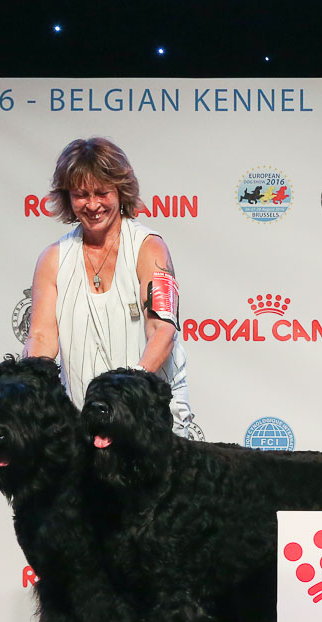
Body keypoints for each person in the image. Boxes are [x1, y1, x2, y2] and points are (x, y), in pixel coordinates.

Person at [25, 137, 192, 433]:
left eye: (102, 193)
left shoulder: (150, 248)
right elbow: (41, 337)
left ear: (120, 191)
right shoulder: (52, 259)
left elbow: (162, 329)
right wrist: (27, 389)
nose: (92, 205)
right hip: (85, 420)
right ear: (67, 197)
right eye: (81, 195)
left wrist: (130, 389)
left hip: (149, 418)